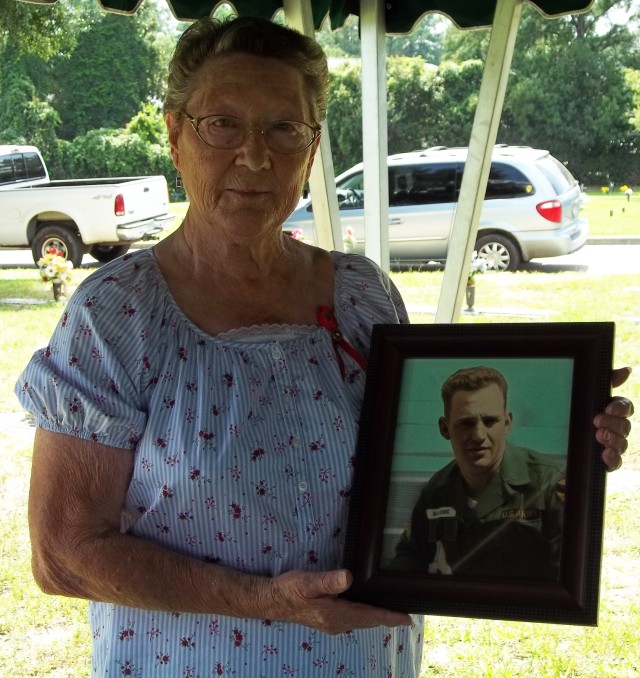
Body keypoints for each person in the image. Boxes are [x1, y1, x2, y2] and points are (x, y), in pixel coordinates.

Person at [15, 16, 633, 678]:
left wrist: (569, 441)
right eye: (223, 124)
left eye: (285, 128)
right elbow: (64, 553)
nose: (255, 156)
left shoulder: (362, 295)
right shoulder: (118, 316)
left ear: (312, 149)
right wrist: (266, 602)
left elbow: (427, 470)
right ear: (174, 133)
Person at [390, 366, 571, 578]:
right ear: (444, 428)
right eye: (466, 423)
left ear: (507, 423)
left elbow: (569, 574)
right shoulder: (437, 489)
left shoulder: (548, 482)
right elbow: (410, 556)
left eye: (490, 421)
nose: (478, 435)